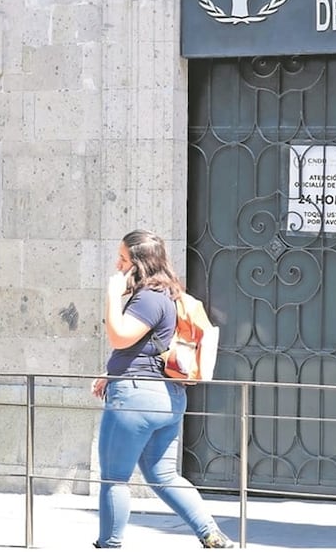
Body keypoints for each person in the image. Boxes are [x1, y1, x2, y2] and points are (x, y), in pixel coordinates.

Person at [89, 229, 235, 549]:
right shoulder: (167, 295)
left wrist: (112, 295)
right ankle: (211, 534)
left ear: (138, 264)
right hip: (166, 398)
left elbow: (120, 337)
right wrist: (111, 372)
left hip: (135, 398)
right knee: (163, 475)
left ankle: (109, 545)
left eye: (122, 259)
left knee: (114, 478)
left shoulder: (148, 297)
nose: (117, 265)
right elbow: (146, 349)